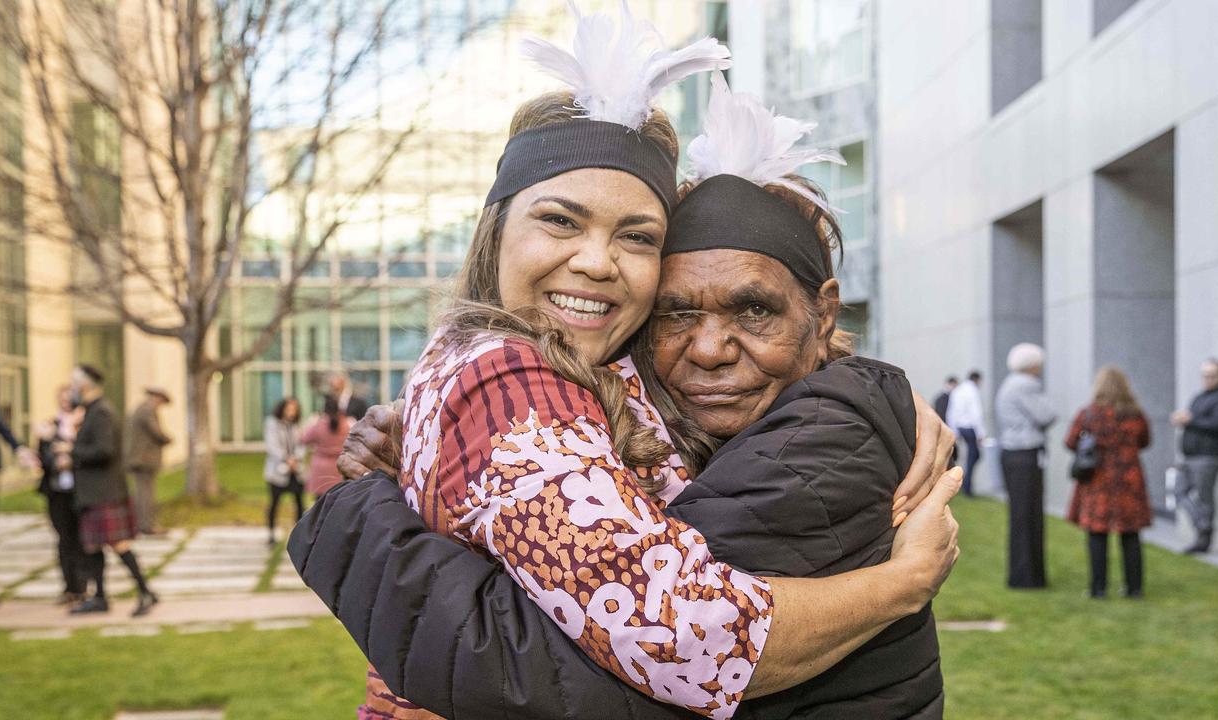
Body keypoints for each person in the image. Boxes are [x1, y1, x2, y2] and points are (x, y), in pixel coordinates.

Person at [292, 41, 958, 720]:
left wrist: (887, 396)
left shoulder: (580, 369)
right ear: (497, 230)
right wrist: (905, 582)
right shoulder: (512, 380)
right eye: (559, 219)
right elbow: (685, 637)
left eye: (637, 237)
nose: (595, 262)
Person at [64, 365, 159, 617]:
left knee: (119, 544)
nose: (72, 387)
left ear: (85, 384)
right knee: (93, 546)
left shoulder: (102, 412)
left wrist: (71, 453)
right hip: (93, 492)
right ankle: (100, 597)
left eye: (74, 382)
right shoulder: (92, 411)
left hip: (104, 492)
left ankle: (145, 592)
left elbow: (105, 450)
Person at [1066, 365, 1152, 598]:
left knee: (1097, 533)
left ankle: (1098, 588)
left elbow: (1070, 441)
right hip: (1129, 481)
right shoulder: (1136, 415)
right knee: (1131, 534)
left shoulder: (1089, 414)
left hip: (1098, 481)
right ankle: (1135, 588)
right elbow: (1145, 440)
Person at [995, 343, 1057, 588]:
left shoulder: (1010, 384)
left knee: (1021, 516)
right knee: (1027, 517)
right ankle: (1027, 577)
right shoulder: (1025, 385)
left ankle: (1026, 575)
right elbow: (1047, 414)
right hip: (1025, 455)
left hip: (1013, 455)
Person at [1171, 358, 1218, 553]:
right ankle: (1202, 525)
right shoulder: (1200, 397)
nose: (1207, 379)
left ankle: (1204, 536)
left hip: (1209, 456)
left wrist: (1191, 420)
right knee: (1179, 491)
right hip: (1190, 455)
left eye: (1211, 375)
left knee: (1204, 497)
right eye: (1205, 375)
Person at [34, 386, 87, 605]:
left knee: (82, 539)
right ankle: (69, 587)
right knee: (63, 539)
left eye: (70, 399)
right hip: (57, 491)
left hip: (80, 491)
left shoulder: (84, 426)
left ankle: (84, 586)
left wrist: (70, 453)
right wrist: (55, 459)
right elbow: (42, 458)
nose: (66, 403)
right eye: (62, 399)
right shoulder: (50, 426)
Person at [123, 387, 172, 535]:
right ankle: (145, 525)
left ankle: (142, 524)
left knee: (142, 492)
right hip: (144, 459)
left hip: (140, 458)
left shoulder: (141, 409)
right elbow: (155, 431)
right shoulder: (147, 410)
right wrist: (167, 439)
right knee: (145, 493)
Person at [264, 397, 306, 546]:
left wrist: (295, 458)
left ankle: (300, 535)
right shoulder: (272, 423)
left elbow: (302, 443)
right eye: (289, 409)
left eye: (294, 409)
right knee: (274, 502)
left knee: (299, 502)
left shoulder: (298, 425)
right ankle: (271, 533)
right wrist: (286, 458)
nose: (291, 412)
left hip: (296, 470)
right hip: (277, 470)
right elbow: (272, 445)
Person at [299, 396, 348, 498]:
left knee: (320, 502)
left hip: (320, 467)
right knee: (337, 500)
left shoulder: (319, 424)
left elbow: (303, 439)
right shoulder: (346, 424)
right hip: (339, 467)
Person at [947, 370, 985, 496]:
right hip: (970, 427)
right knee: (974, 456)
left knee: (971, 456)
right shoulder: (972, 391)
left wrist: (955, 431)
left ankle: (965, 483)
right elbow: (976, 413)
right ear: (977, 379)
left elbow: (951, 412)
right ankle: (966, 485)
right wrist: (981, 434)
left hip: (960, 427)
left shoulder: (958, 390)